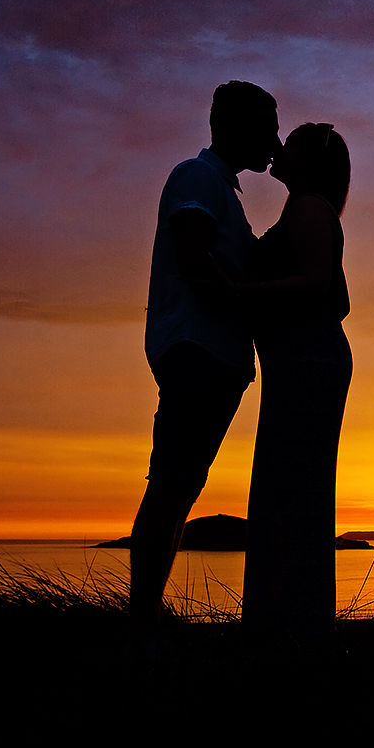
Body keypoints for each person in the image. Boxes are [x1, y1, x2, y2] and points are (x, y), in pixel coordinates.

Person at [130, 80, 281, 638]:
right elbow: (194, 261)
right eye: (268, 128)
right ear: (237, 128)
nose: (275, 139)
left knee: (181, 487)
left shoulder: (223, 189)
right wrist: (246, 300)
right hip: (195, 350)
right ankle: (140, 624)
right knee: (171, 485)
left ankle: (145, 621)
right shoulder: (197, 177)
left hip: (215, 357)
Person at [240, 121, 353, 640]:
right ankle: (293, 626)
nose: (278, 146)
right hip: (304, 362)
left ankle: (289, 633)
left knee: (291, 492)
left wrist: (231, 290)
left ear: (306, 162)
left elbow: (315, 285)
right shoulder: (311, 210)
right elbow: (339, 300)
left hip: (306, 363)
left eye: (291, 142)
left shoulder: (308, 207)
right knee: (293, 491)